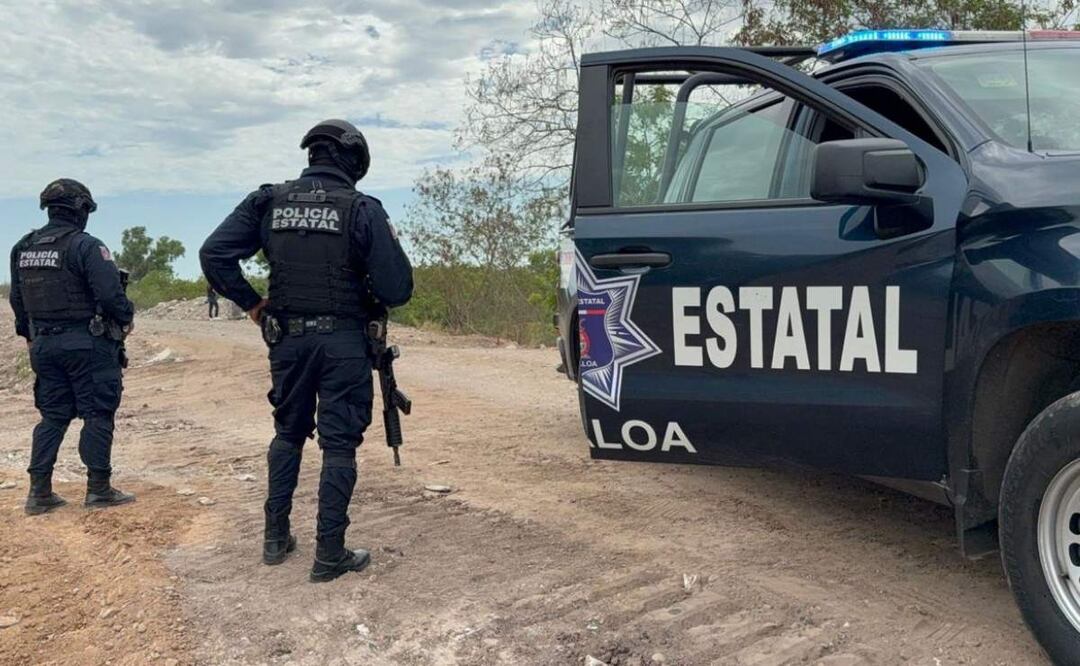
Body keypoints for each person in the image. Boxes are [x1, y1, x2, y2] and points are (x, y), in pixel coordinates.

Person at [199, 119, 413, 582]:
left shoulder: (268, 200)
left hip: (287, 341)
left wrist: (253, 305)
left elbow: (213, 253)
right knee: (339, 444)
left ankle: (275, 539)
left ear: (312, 154)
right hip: (343, 343)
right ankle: (329, 554)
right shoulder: (361, 208)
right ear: (353, 160)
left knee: (288, 434)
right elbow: (398, 288)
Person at [9, 179, 136, 515]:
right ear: (81, 210)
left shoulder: (23, 247)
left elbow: (17, 300)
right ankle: (98, 489)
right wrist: (126, 319)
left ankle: (39, 493)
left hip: (43, 345)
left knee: (52, 416)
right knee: (97, 413)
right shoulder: (87, 246)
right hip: (86, 344)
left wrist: (30, 336)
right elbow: (112, 296)